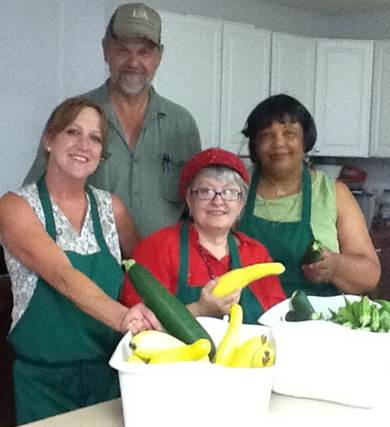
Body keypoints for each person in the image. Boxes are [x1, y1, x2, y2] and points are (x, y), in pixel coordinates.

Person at [0, 97, 160, 425]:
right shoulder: (16, 207)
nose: (83, 145)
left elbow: (145, 274)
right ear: (48, 140)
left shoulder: (112, 210)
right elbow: (62, 276)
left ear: (102, 153)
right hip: (43, 383)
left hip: (112, 375)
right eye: (72, 132)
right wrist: (123, 317)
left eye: (95, 137)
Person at [23, 2, 201, 238]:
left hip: (161, 267)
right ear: (106, 50)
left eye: (144, 52)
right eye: (123, 50)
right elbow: (32, 198)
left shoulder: (182, 124)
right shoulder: (73, 117)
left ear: (159, 57)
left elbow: (199, 203)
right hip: (87, 265)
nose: (133, 62)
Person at [121, 148, 286, 324]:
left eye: (230, 192)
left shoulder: (256, 254)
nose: (218, 201)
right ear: (189, 201)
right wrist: (199, 310)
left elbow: (277, 319)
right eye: (205, 191)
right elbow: (139, 325)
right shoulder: (158, 248)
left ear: (241, 204)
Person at [239, 94, 380, 297]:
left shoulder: (334, 193)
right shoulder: (234, 188)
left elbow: (370, 276)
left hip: (316, 320)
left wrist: (335, 265)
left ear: (305, 139)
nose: (279, 143)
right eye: (267, 135)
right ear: (255, 145)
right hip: (247, 319)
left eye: (289, 134)